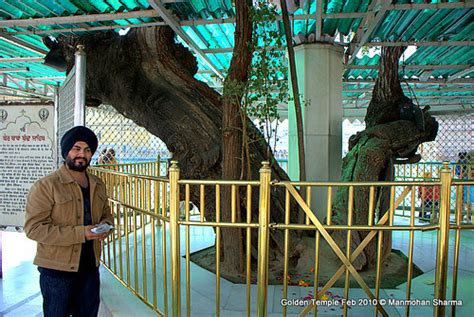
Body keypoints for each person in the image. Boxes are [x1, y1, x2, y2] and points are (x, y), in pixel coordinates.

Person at [24, 126, 114, 317]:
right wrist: (82, 233)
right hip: (57, 271)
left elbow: (106, 213)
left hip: (90, 267)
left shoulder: (97, 184)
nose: (82, 154)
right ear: (66, 151)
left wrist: (106, 226)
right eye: (77, 148)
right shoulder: (46, 186)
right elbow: (34, 229)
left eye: (88, 150)